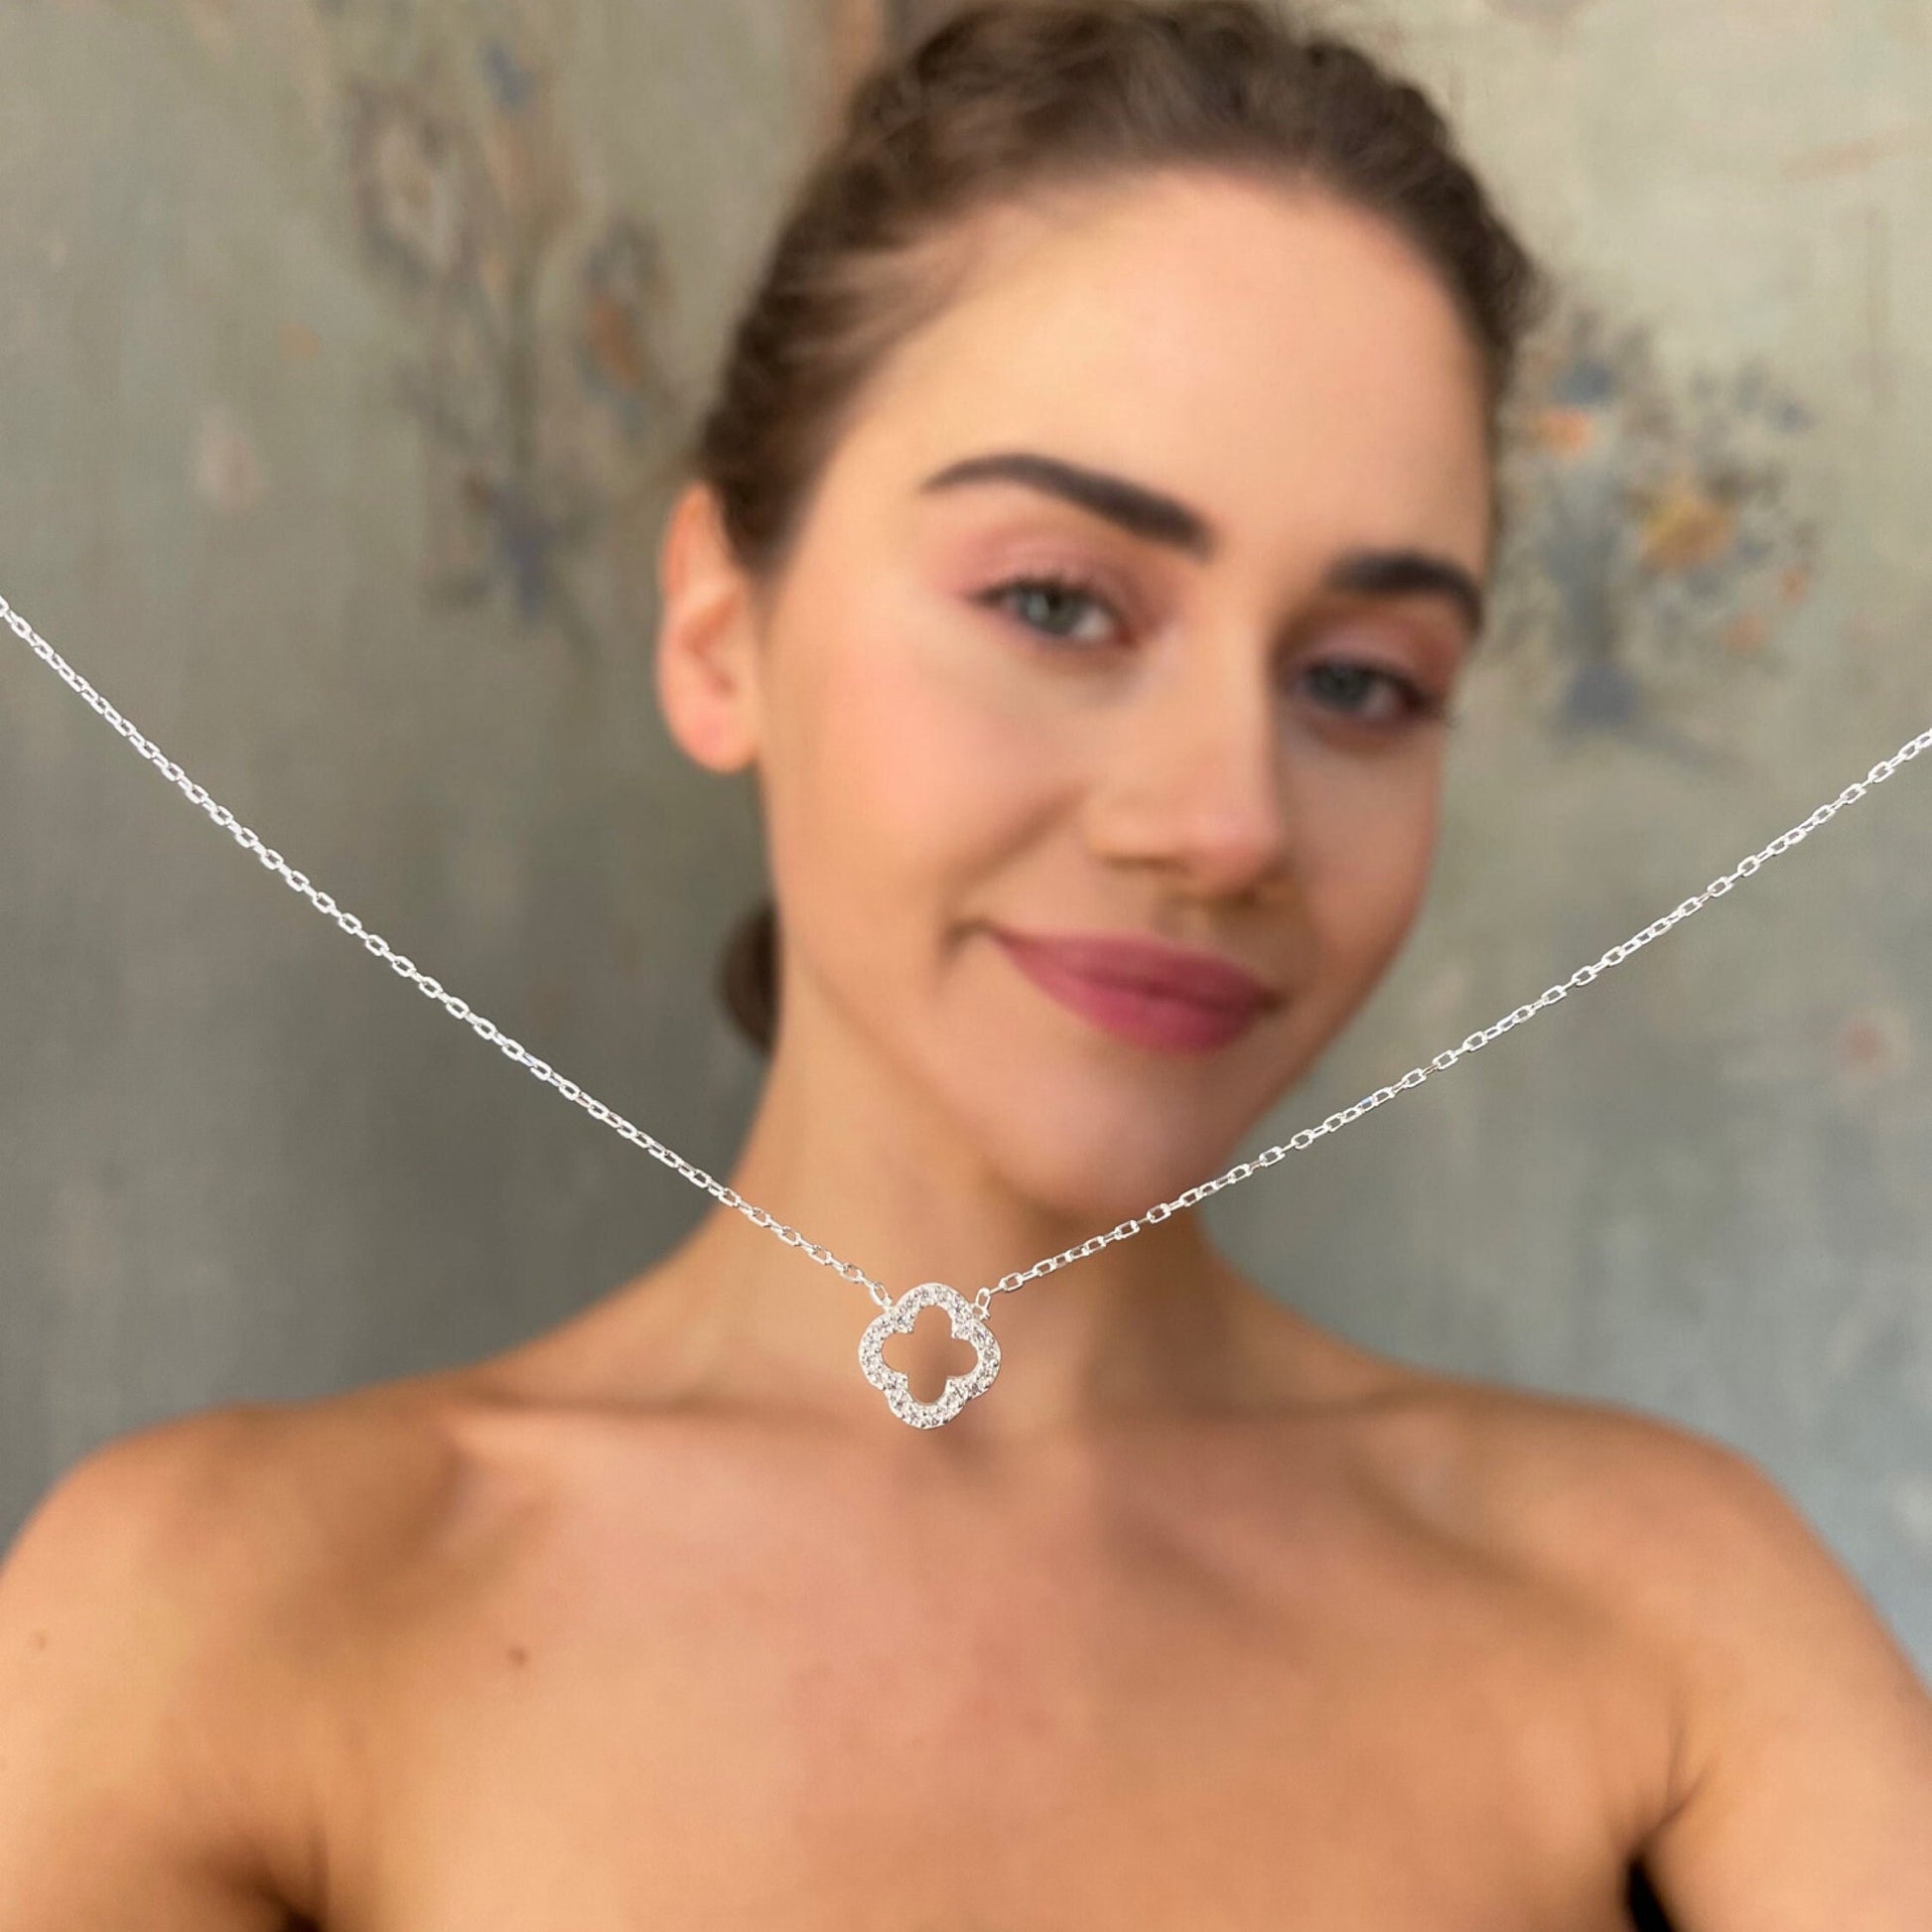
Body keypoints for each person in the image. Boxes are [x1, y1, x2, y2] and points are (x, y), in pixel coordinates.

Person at [3, 3, 1929, 1926]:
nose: (1227, 820)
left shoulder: (1665, 1610)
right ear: (718, 633)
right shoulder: (214, 1616)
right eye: (1057, 602)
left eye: (1358, 681)